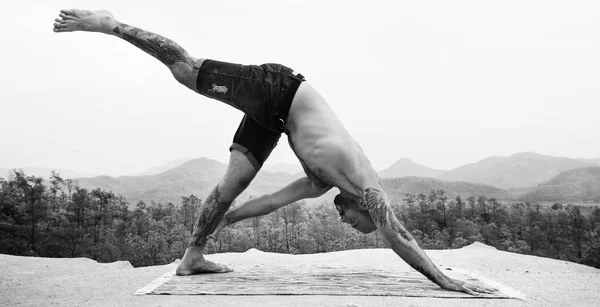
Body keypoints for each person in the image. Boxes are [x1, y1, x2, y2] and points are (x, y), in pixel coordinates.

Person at [53, 9, 496, 296]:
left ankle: (192, 257)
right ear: (366, 208)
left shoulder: (322, 183)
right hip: (279, 89)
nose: (347, 221)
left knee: (233, 185)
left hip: (276, 119)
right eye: (357, 223)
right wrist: (444, 279)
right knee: (187, 71)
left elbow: (270, 202)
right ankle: (109, 24)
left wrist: (226, 219)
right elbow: (397, 234)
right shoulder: (364, 178)